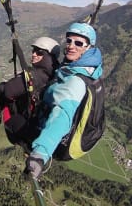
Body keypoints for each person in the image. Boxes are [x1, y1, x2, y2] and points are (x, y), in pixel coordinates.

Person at [24, 22, 103, 179]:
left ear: (89, 48)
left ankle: (28, 147)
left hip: (63, 146)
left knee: (17, 122)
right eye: (69, 41)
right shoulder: (90, 66)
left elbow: (63, 115)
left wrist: (40, 154)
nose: (71, 46)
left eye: (79, 43)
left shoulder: (75, 83)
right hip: (87, 135)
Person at [0, 37, 60, 152]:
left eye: (39, 53)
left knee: (2, 88)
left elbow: (8, 91)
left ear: (48, 57)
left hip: (28, 127)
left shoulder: (35, 76)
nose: (34, 54)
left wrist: (22, 78)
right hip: (43, 126)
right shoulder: (57, 73)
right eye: (33, 51)